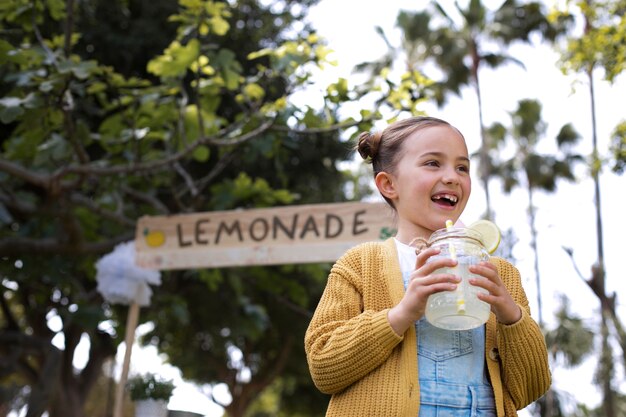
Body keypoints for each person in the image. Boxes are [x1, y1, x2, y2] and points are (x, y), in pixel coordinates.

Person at [304, 116, 550, 417]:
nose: (452, 177)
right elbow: (323, 366)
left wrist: (511, 315)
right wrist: (402, 313)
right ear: (388, 184)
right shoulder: (360, 264)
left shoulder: (499, 274)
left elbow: (532, 387)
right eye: (433, 163)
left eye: (462, 167)